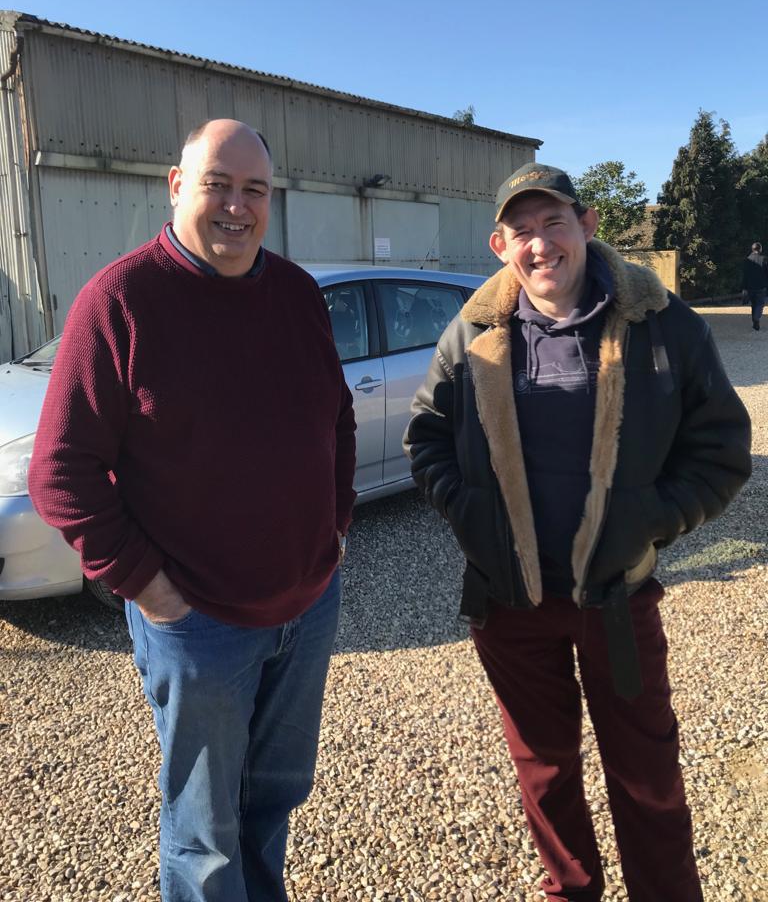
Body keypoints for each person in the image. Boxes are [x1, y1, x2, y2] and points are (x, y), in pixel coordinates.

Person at [28, 119, 356, 902]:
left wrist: (335, 526)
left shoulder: (297, 293)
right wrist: (146, 584)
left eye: (255, 190)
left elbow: (337, 417)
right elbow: (60, 471)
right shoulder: (121, 301)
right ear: (177, 186)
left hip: (307, 608)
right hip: (199, 625)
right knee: (204, 833)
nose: (238, 207)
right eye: (219, 185)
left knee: (274, 798)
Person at [404, 162, 751, 902]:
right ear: (501, 245)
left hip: (617, 601)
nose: (540, 244)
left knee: (646, 773)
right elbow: (426, 434)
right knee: (544, 771)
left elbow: (722, 450)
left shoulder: (662, 323)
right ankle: (570, 889)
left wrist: (648, 522)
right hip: (510, 605)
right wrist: (471, 516)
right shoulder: (472, 334)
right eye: (522, 230)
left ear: (587, 225)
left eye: (553, 222)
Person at [742, 240, 768, 330]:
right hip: (761, 286)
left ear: (752, 249)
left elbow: (745, 275)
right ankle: (756, 318)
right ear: (760, 249)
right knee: (760, 303)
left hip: (750, 286)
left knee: (754, 304)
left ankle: (755, 321)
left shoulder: (747, 260)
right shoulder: (764, 259)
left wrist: (744, 287)